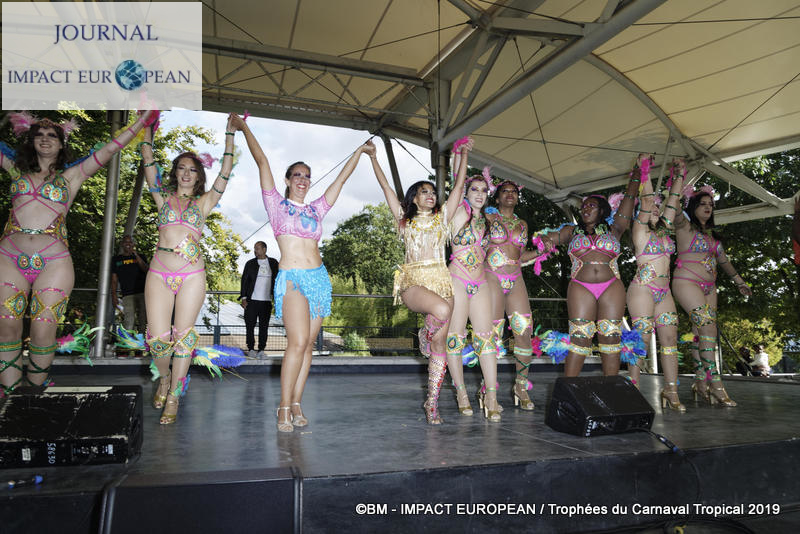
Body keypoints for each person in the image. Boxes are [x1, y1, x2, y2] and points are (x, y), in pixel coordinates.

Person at [0, 111, 156, 396]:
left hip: (53, 262)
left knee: (43, 330)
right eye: (39, 135)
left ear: (62, 145)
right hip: (8, 258)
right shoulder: (14, 169)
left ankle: (33, 396)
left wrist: (142, 119)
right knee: (7, 328)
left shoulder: (74, 174)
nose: (45, 139)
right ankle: (10, 398)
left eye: (52, 136)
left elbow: (112, 147)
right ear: (31, 141)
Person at [233, 114, 372, 433]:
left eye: (307, 176)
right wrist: (244, 127)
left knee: (308, 345)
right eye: (296, 175)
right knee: (296, 343)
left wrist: (360, 152)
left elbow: (341, 180)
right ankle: (282, 407)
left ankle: (297, 402)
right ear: (287, 180)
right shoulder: (275, 205)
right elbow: (262, 161)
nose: (302, 179)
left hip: (320, 280)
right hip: (293, 279)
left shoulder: (316, 209)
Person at [140, 113, 236, 424]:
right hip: (158, 272)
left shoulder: (205, 203)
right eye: (181, 168)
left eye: (192, 170)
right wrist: (147, 128)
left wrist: (230, 135)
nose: (186, 173)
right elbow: (147, 161)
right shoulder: (161, 197)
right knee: (157, 338)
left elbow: (225, 171)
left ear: (198, 177)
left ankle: (174, 395)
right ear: (175, 173)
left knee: (184, 337)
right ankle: (164, 377)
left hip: (192, 275)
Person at [371, 137, 473, 424]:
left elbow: (459, 186)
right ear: (414, 198)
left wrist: (463, 154)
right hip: (414, 282)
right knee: (441, 313)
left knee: (441, 348)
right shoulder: (404, 221)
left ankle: (432, 402)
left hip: (442, 283)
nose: (430, 195)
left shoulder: (443, 219)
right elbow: (386, 188)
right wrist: (374, 158)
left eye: (432, 191)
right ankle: (425, 335)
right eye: (423, 192)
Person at [539, 157, 641, 377]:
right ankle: (568, 388)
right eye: (583, 206)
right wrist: (544, 241)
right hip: (580, 286)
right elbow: (545, 238)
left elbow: (630, 198)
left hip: (612, 286)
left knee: (611, 337)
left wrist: (638, 172)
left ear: (602, 211)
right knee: (580, 337)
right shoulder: (570, 231)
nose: (585, 209)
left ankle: (611, 388)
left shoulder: (616, 228)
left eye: (591, 206)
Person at [672, 186, 752, 406]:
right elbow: (676, 207)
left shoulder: (713, 236)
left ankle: (700, 382)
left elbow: (724, 262)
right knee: (707, 329)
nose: (708, 208)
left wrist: (740, 283)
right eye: (703, 204)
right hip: (686, 282)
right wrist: (678, 182)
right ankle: (716, 385)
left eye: (710, 205)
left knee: (701, 333)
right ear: (693, 207)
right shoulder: (684, 226)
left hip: (710, 287)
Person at [626, 159, 686, 411]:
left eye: (658, 210)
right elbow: (648, 200)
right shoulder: (640, 231)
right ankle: (633, 387)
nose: (656, 211)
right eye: (651, 209)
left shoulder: (664, 231)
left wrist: (680, 176)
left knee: (670, 339)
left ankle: (671, 389)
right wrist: (645, 171)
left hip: (665, 292)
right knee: (641, 337)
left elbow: (673, 200)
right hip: (642, 289)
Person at [484, 180, 548, 411]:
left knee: (524, 332)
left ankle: (520, 387)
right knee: (493, 333)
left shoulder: (522, 223)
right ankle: (487, 388)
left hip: (516, 279)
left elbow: (520, 257)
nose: (510, 194)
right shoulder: (487, 218)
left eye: (513, 191)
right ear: (497, 197)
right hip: (491, 277)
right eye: (505, 191)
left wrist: (541, 251)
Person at [445, 168, 502, 422]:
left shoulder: (488, 221)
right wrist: (461, 155)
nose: (480, 194)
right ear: (466, 193)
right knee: (455, 339)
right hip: (456, 279)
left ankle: (491, 396)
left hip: (480, 282)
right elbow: (456, 184)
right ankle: (461, 393)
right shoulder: (457, 212)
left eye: (484, 190)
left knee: (486, 339)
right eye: (474, 189)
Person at [239, 240, 279, 357]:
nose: (255, 250)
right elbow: (244, 281)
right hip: (252, 301)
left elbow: (278, 279)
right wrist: (244, 298)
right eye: (254, 248)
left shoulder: (273, 263)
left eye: (257, 248)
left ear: (264, 249)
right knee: (249, 325)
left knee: (264, 326)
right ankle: (251, 348)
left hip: (266, 301)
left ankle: (261, 349)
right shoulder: (250, 263)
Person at [111, 235, 149, 347]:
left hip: (142, 293)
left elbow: (146, 269)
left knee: (143, 320)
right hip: (127, 294)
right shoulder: (116, 260)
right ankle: (127, 345)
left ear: (134, 244)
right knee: (129, 320)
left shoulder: (141, 256)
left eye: (130, 242)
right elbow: (114, 279)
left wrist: (136, 255)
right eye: (126, 242)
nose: (128, 244)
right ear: (122, 244)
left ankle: (141, 346)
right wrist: (114, 295)